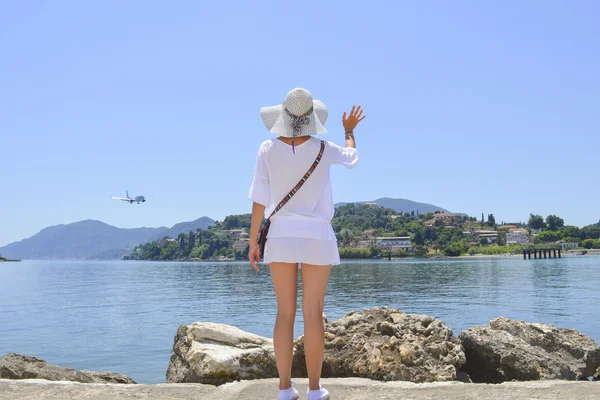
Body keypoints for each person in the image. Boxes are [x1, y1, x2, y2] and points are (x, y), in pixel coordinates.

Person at [248, 88, 365, 400]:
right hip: (316, 236)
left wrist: (252, 241)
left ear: (283, 118)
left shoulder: (266, 149)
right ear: (311, 119)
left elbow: (260, 199)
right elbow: (352, 158)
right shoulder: (323, 149)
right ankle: (314, 390)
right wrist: (350, 131)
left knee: (284, 314)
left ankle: (285, 389)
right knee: (313, 313)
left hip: (280, 236)